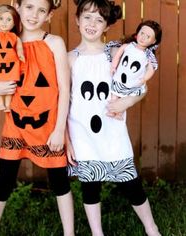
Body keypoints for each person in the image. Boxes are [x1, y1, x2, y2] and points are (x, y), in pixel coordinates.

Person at [66, 0, 161, 236]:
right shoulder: (70, 58)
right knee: (90, 185)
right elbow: (63, 101)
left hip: (113, 129)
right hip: (82, 132)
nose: (92, 24)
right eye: (87, 17)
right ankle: (97, 232)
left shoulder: (116, 52)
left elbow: (140, 86)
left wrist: (126, 102)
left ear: (107, 25)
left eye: (99, 19)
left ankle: (151, 227)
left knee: (131, 182)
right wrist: (67, 139)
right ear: (77, 19)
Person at [0, 1, 74, 235]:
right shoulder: (5, 41)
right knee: (5, 178)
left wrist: (58, 129)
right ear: (17, 6)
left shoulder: (54, 43)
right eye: (29, 7)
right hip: (16, 123)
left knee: (59, 180)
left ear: (50, 14)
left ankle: (69, 233)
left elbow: (64, 89)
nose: (34, 15)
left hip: (48, 124)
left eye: (41, 10)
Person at [107, 20, 162, 119]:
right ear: (137, 33)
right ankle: (111, 111)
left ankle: (119, 113)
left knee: (124, 99)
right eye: (142, 33)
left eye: (148, 36)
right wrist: (113, 66)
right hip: (119, 76)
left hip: (132, 81)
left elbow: (151, 69)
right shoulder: (127, 46)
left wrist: (145, 78)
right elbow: (117, 56)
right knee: (114, 94)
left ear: (153, 41)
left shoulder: (147, 55)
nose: (143, 37)